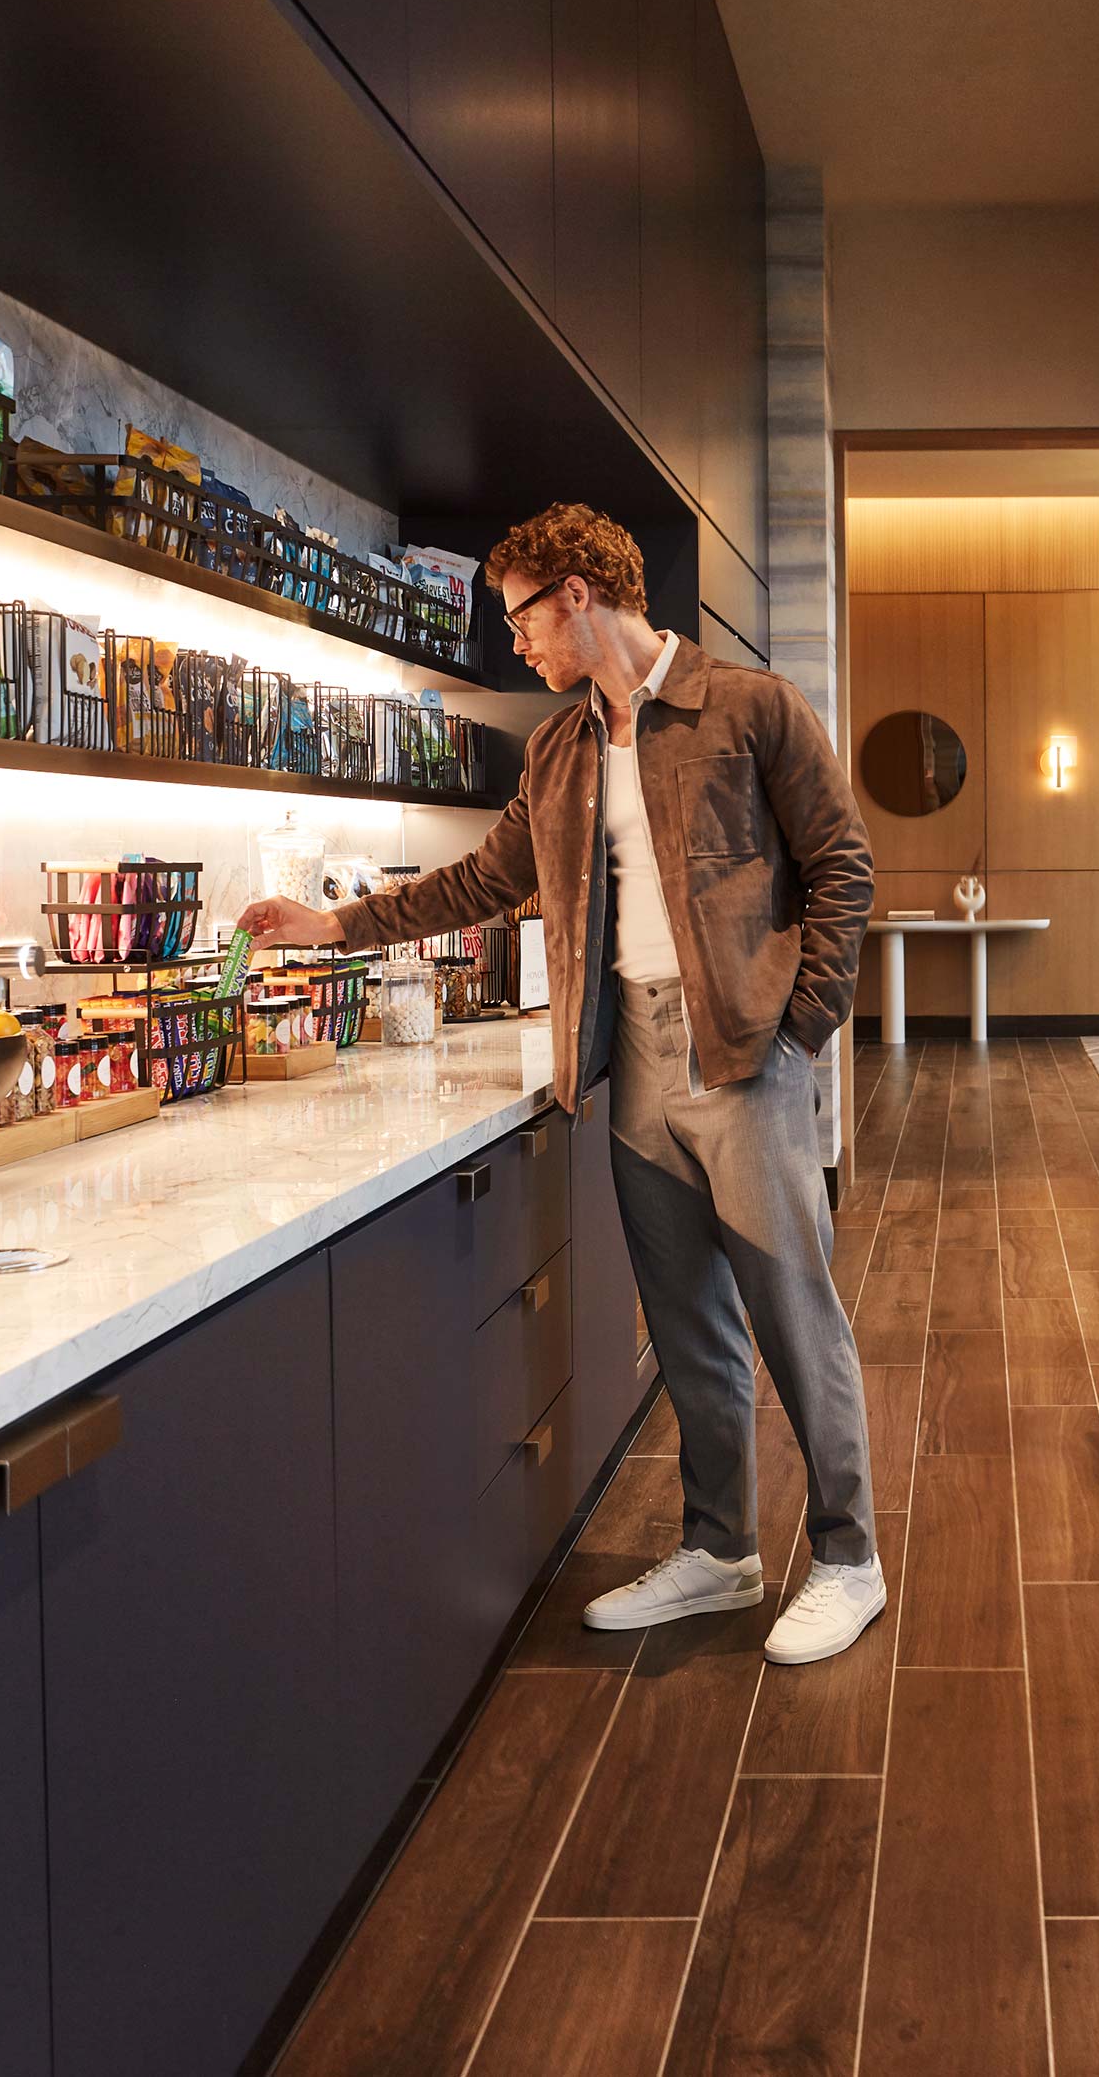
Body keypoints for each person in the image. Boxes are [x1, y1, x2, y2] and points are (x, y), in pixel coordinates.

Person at [236, 502, 884, 1666]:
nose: (516, 642)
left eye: (521, 618)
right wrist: (333, 925)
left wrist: (803, 1023)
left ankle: (848, 1559)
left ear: (577, 594)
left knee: (793, 1314)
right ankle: (722, 1550)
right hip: (630, 1060)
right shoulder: (559, 750)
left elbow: (842, 864)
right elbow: (482, 882)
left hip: (744, 1055)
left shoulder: (749, 707)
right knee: (685, 1323)